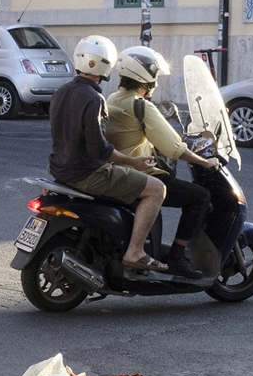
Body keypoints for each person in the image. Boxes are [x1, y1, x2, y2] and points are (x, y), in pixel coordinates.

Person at [45, 35, 171, 273]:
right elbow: (99, 150)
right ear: (107, 65)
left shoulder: (62, 91)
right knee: (157, 189)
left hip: (59, 168)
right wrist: (133, 161)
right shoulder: (94, 98)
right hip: (87, 173)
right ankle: (135, 252)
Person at [105, 46, 222, 279]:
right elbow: (173, 148)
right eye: (155, 78)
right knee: (200, 197)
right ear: (144, 79)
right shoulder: (141, 106)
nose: (156, 84)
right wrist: (204, 162)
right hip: (140, 172)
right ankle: (177, 257)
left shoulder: (113, 98)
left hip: (117, 170)